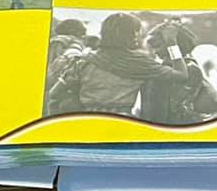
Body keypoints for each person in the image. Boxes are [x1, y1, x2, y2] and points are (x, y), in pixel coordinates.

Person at [45, 12, 175, 118]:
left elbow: (54, 95)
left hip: (87, 123)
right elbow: (182, 75)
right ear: (124, 35)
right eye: (134, 31)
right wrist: (172, 43)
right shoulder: (142, 63)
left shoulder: (84, 61)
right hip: (123, 124)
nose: (137, 35)